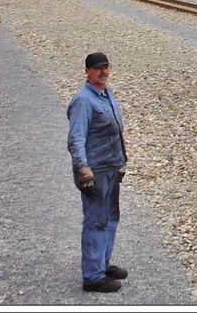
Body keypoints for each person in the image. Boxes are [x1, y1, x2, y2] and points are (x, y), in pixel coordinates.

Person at [67, 52, 128, 293]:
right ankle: (92, 276)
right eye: (97, 69)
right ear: (88, 72)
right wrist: (83, 170)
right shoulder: (83, 101)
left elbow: (116, 132)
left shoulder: (107, 94)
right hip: (96, 170)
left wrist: (121, 161)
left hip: (112, 167)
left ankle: (102, 263)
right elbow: (75, 139)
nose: (103, 72)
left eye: (106, 67)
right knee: (96, 221)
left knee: (111, 217)